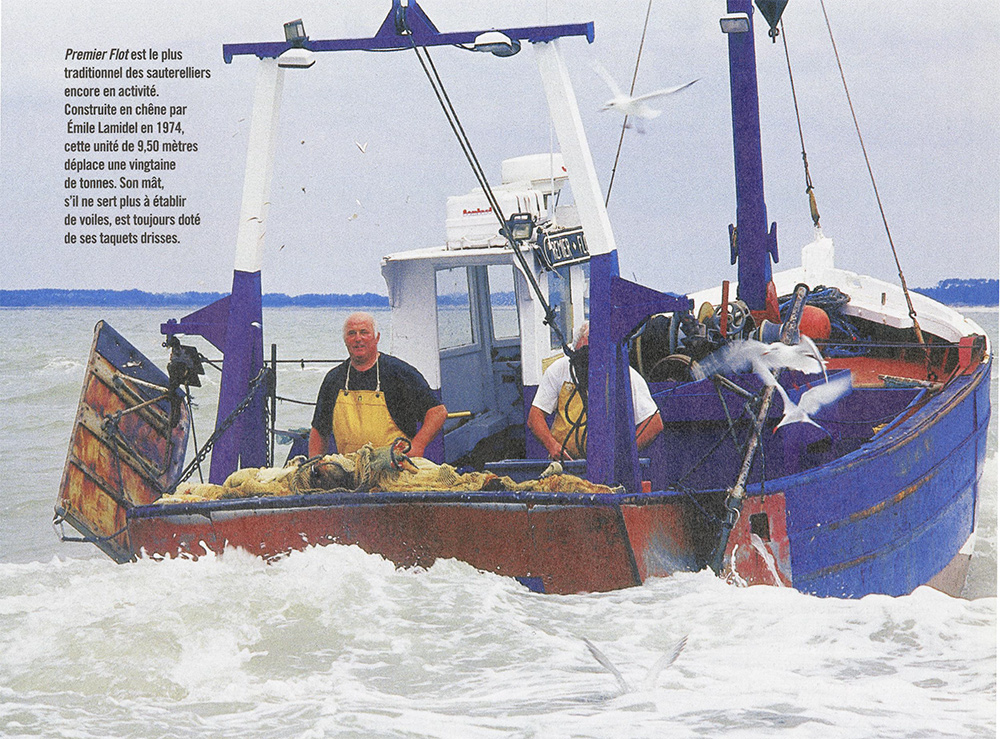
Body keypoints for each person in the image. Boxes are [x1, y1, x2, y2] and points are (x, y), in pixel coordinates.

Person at [309, 312, 447, 458]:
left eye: (364, 332)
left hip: (396, 468)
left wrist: (418, 445)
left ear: (377, 338)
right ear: (345, 340)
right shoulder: (333, 379)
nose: (358, 339)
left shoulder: (399, 373)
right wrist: (314, 463)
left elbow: (438, 412)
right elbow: (319, 430)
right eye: (351, 333)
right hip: (349, 468)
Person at [527, 321, 663, 460]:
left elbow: (653, 423)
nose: (587, 361)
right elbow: (535, 417)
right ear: (574, 351)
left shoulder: (625, 374)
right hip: (566, 463)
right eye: (583, 354)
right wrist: (552, 446)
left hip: (608, 467)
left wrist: (622, 455)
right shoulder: (558, 370)